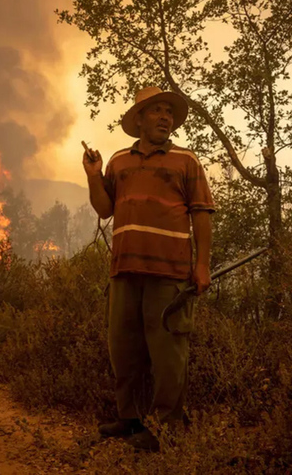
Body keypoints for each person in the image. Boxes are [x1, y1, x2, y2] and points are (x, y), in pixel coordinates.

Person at [82, 86, 214, 451]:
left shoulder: (186, 161)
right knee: (123, 348)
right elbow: (104, 210)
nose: (164, 118)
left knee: (168, 353)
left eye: (168, 113)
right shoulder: (118, 161)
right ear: (138, 118)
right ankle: (131, 419)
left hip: (170, 272)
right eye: (155, 111)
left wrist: (201, 265)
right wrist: (94, 175)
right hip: (124, 269)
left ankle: (165, 428)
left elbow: (202, 214)